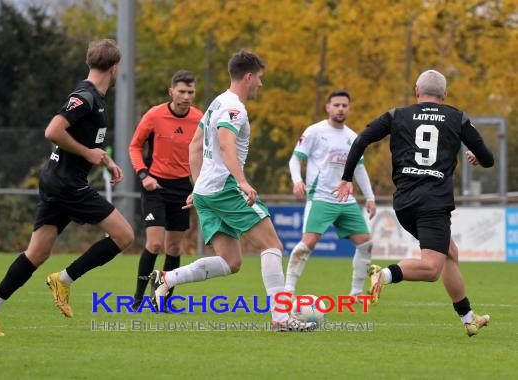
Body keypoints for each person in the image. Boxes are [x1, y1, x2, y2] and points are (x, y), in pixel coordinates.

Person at [0, 39, 134, 336]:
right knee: (125, 235)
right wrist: (88, 154)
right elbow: (53, 131)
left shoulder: (93, 97)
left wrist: (105, 160)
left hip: (57, 181)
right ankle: (64, 279)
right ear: (115, 68)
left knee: (36, 253)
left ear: (90, 63)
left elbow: (84, 141)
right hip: (67, 185)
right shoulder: (85, 96)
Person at [149, 50, 316, 331]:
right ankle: (281, 319)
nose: (260, 85)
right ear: (248, 77)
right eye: (260, 79)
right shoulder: (234, 108)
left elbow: (194, 146)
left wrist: (198, 185)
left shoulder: (217, 102)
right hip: (225, 187)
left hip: (207, 190)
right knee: (272, 245)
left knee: (231, 261)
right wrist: (241, 181)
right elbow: (226, 144)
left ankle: (168, 279)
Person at [333, 69, 494, 337]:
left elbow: (361, 140)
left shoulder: (397, 115)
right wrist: (476, 156)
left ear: (417, 92)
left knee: (450, 252)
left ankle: (468, 318)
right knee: (432, 268)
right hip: (434, 203)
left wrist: (347, 177)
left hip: (405, 202)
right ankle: (383, 275)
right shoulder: (457, 117)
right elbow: (488, 158)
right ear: (445, 95)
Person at [286, 91, 377, 301]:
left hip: (346, 200)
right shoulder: (315, 131)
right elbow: (295, 159)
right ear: (328, 107)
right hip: (320, 197)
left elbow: (360, 169)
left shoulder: (353, 137)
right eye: (336, 105)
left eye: (344, 105)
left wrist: (370, 197)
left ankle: (355, 294)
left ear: (349, 109)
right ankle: (287, 291)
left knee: (365, 243)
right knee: (307, 244)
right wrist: (297, 181)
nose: (340, 109)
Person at [128, 70, 203, 311]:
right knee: (154, 244)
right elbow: (134, 146)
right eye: (181, 91)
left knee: (173, 248)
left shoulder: (200, 119)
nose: (186, 96)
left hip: (182, 188)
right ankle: (138, 299)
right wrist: (143, 175)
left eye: (190, 92)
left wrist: (199, 185)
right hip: (155, 186)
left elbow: (205, 154)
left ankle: (162, 301)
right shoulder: (154, 115)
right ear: (171, 92)